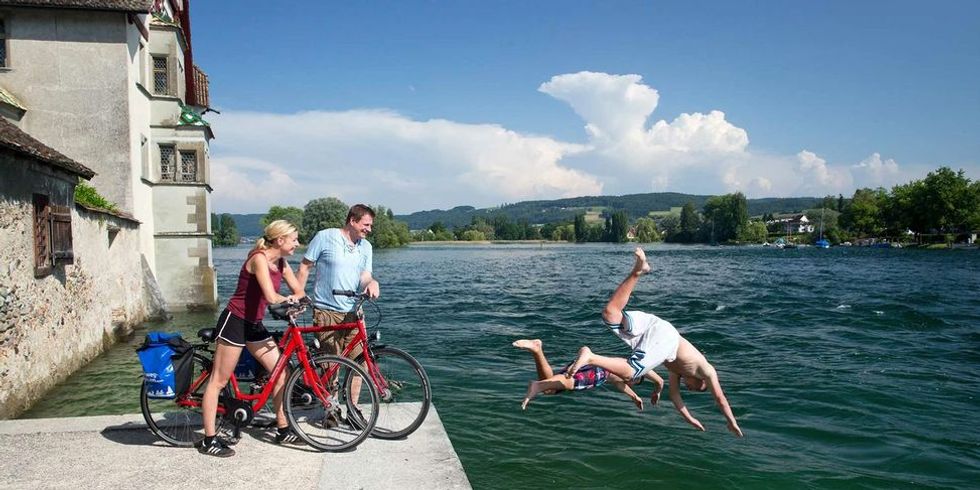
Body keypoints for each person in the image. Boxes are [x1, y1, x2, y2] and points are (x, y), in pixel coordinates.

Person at [565, 247, 744, 437]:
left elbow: (675, 396)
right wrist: (731, 421)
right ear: (701, 381)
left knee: (610, 314)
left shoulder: (678, 371)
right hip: (667, 339)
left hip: (658, 327)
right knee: (630, 371)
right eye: (695, 388)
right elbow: (719, 398)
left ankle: (638, 271)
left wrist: (689, 419)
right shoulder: (707, 371)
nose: (690, 388)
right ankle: (591, 357)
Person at [197, 220, 306, 457]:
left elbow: (299, 291)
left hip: (254, 325)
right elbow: (270, 295)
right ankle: (209, 439)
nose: (297, 243)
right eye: (294, 239)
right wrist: (289, 301)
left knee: (281, 372)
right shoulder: (259, 258)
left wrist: (299, 300)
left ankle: (283, 427)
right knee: (219, 381)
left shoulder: (282, 263)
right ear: (280, 240)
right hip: (235, 321)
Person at [297, 204, 380, 362]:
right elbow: (304, 267)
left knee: (361, 365)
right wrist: (298, 295)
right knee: (329, 368)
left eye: (371, 226)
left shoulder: (366, 247)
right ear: (353, 221)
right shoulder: (325, 237)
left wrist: (372, 282)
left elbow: (365, 276)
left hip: (354, 312)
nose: (369, 229)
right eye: (366, 225)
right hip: (326, 312)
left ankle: (353, 388)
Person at [513, 339, 663, 411]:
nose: (630, 382)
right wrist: (659, 385)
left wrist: (634, 397)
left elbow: (620, 384)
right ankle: (537, 385)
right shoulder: (629, 368)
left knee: (550, 387)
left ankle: (537, 350)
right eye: (634, 381)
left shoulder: (620, 376)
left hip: (592, 368)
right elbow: (646, 370)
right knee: (566, 382)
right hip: (597, 372)